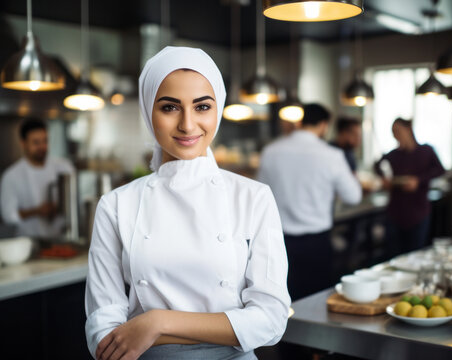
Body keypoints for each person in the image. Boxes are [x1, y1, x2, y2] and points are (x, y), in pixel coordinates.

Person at [85, 46, 290, 360]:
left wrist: (157, 322)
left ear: (217, 109)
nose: (188, 124)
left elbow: (271, 321)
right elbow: (104, 329)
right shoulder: (115, 205)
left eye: (202, 107)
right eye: (169, 108)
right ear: (147, 111)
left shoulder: (253, 197)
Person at [258, 104, 362, 301]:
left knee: (281, 301)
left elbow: (260, 193)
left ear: (301, 121)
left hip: (279, 241)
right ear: (324, 125)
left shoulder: (271, 151)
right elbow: (353, 196)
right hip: (316, 242)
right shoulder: (331, 155)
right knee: (315, 301)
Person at [375, 118, 445, 258]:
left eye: (398, 131)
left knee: (414, 255)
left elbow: (440, 170)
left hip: (418, 211)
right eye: (393, 132)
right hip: (395, 212)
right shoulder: (394, 154)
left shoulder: (426, 150)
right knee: (393, 255)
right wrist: (385, 179)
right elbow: (377, 165)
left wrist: (418, 180)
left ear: (408, 129)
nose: (396, 135)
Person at [0, 118, 74, 238]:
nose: (42, 147)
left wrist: (59, 207)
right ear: (23, 143)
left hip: (62, 239)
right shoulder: (11, 176)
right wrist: (37, 211)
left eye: (45, 141)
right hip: (27, 241)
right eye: (36, 142)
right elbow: (9, 216)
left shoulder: (64, 167)